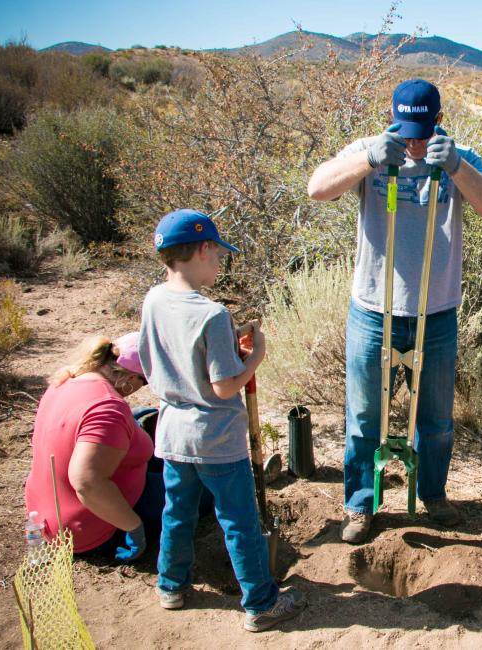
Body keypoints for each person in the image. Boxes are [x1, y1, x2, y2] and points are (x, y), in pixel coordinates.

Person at [307, 79, 482, 544]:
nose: (413, 142)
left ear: (438, 121)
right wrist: (369, 159)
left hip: (434, 313)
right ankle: (360, 504)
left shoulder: (460, 156)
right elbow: (317, 188)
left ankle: (433, 494)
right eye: (406, 130)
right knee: (363, 418)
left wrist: (455, 166)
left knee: (435, 419)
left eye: (422, 130)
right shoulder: (371, 149)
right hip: (373, 311)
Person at [138, 209, 303, 632]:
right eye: (217, 254)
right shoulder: (211, 314)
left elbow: (167, 357)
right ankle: (261, 602)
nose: (219, 263)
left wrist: (231, 342)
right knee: (240, 522)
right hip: (216, 438)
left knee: (178, 513)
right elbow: (224, 388)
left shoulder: (154, 299)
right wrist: (257, 357)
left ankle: (171, 585)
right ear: (204, 249)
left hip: (172, 431)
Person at [24, 332, 154, 562]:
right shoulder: (108, 409)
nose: (142, 387)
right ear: (129, 377)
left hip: (47, 514)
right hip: (87, 527)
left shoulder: (67, 379)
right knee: (198, 492)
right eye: (143, 381)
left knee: (143, 417)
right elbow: (86, 482)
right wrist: (133, 527)